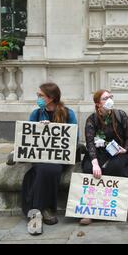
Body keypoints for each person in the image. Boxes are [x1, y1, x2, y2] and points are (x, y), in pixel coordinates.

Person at [19, 82, 78, 235]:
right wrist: (39, 128)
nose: (38, 98)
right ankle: (45, 210)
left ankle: (36, 210)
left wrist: (53, 127)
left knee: (49, 169)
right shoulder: (36, 114)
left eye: (41, 95)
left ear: (51, 97)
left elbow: (74, 138)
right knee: (42, 168)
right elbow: (29, 136)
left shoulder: (68, 113)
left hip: (59, 158)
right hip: (40, 156)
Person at [80, 89, 128, 225]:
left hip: (119, 152)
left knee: (115, 167)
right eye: (105, 98)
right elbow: (90, 142)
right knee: (89, 169)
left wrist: (124, 148)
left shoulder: (121, 115)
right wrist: (95, 163)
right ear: (98, 104)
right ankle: (90, 211)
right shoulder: (92, 119)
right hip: (99, 153)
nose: (109, 100)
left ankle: (114, 208)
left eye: (110, 97)